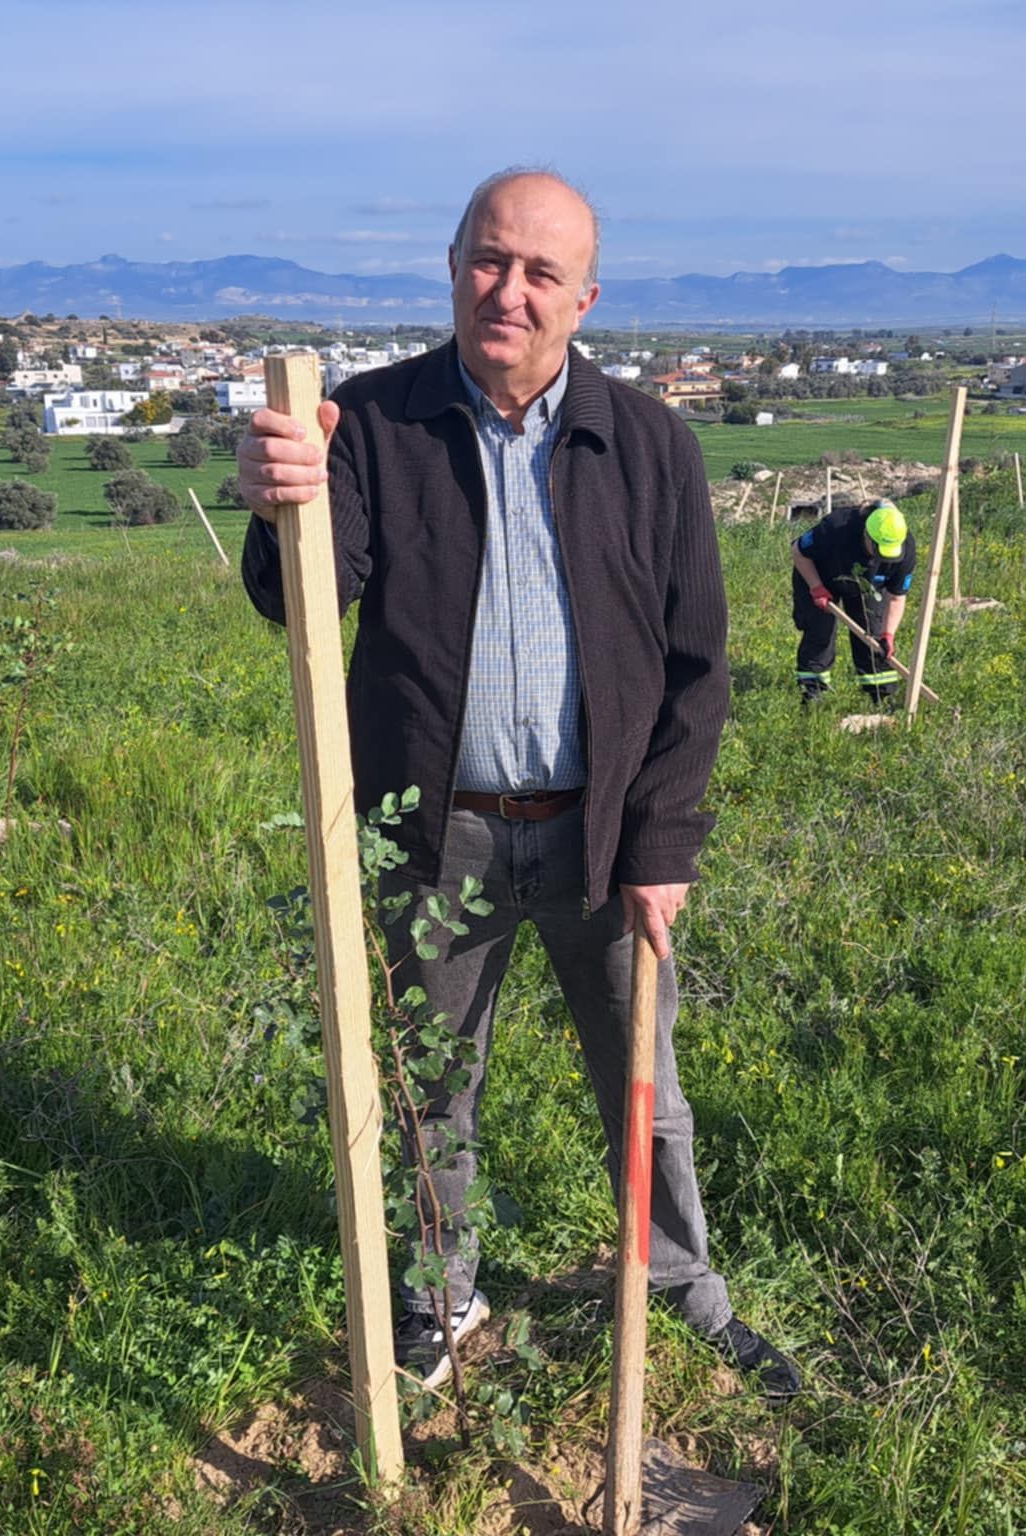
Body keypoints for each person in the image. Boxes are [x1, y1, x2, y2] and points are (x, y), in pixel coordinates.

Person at [237, 167, 799, 1402]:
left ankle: (674, 1284)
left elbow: (698, 667)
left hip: (603, 833)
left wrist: (663, 844)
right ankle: (442, 1298)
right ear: (450, 267)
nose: (509, 290)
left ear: (584, 298)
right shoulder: (371, 425)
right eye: (489, 260)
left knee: (641, 1085)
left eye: (540, 272)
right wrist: (281, 498)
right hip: (442, 835)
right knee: (430, 1083)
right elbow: (303, 602)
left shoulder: (649, 444)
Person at [790, 497, 916, 706]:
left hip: (866, 585)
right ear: (867, 534)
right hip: (819, 576)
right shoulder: (835, 528)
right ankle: (812, 693)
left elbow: (896, 597)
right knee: (820, 631)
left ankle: (881, 696)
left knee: (874, 636)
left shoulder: (906, 548)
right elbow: (798, 551)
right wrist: (816, 587)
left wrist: (888, 634)